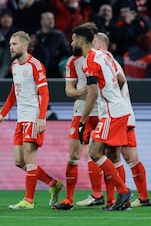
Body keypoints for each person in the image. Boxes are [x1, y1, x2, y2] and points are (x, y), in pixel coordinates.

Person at [0, 30, 62, 210]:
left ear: (24, 46)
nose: (11, 48)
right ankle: (53, 183)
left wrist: (41, 118)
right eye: (10, 45)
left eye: (14, 44)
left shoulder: (35, 65)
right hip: (20, 119)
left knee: (30, 160)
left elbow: (45, 93)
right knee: (19, 161)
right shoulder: (14, 66)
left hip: (33, 117)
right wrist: (2, 114)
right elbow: (13, 94)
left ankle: (28, 201)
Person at [70, 23, 132, 211]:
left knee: (95, 153)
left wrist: (82, 120)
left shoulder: (89, 61)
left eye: (73, 39)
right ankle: (124, 202)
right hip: (121, 108)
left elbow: (93, 94)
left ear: (81, 40)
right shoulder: (106, 55)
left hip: (111, 112)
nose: (72, 43)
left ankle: (123, 191)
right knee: (113, 155)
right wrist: (114, 97)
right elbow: (121, 80)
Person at [95, 32, 151, 208]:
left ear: (102, 46)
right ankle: (143, 197)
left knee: (110, 157)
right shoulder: (112, 61)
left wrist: (111, 99)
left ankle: (121, 196)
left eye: (94, 43)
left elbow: (119, 81)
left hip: (117, 114)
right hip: (126, 114)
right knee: (131, 158)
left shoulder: (104, 59)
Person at [51, 44, 104, 210]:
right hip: (80, 112)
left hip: (102, 112)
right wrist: (85, 91)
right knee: (74, 154)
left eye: (75, 39)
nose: (71, 43)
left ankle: (104, 197)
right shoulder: (72, 62)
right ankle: (69, 199)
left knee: (103, 155)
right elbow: (69, 91)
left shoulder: (101, 58)